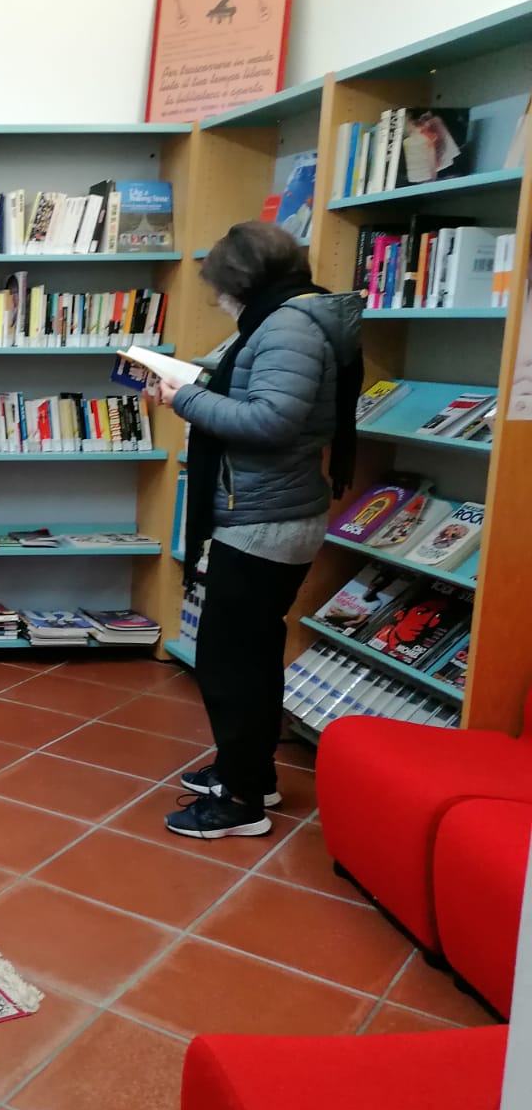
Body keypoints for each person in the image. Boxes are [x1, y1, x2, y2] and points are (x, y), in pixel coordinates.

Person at [147, 220, 363, 840]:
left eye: (218, 286)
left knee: (230, 662)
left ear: (238, 280)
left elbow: (270, 421)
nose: (217, 299)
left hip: (267, 518)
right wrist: (194, 385)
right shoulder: (285, 317)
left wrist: (184, 399)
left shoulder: (287, 327)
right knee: (251, 653)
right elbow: (261, 399)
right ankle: (251, 773)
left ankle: (241, 802)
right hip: (266, 511)